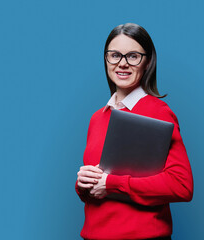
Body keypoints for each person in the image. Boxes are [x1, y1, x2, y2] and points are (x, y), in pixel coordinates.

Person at [75, 23, 193, 240]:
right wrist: (83, 184)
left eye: (133, 56)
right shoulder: (97, 118)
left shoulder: (159, 112)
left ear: (147, 62)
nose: (122, 63)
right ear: (106, 59)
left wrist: (112, 184)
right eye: (115, 55)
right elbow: (95, 191)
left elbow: (181, 186)